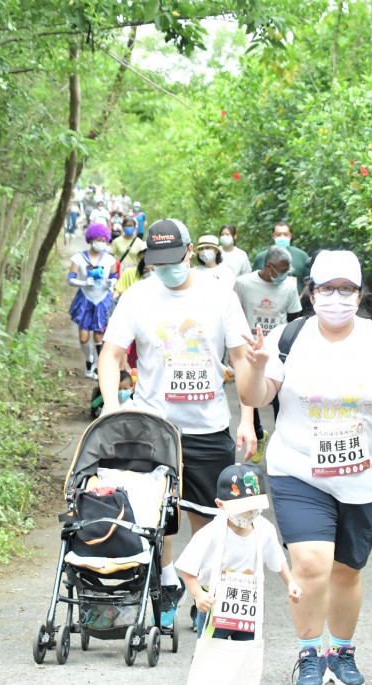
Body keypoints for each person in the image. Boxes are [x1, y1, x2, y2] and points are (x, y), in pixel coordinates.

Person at [237, 250, 372, 685]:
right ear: (312, 292)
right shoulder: (289, 337)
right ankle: (307, 654)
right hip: (298, 468)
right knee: (309, 562)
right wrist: (257, 365)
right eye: (326, 289)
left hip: (364, 470)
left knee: (345, 570)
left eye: (346, 290)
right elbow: (256, 395)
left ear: (359, 294)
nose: (336, 298)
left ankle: (341, 651)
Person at [97, 218, 261, 625]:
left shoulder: (219, 296)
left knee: (207, 516)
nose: (167, 269)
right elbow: (111, 353)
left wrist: (247, 418)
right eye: (158, 262)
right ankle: (167, 585)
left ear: (190, 252)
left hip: (208, 425)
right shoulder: (137, 297)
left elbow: (241, 358)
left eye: (174, 259)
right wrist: (109, 406)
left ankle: (203, 591)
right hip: (153, 425)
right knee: (157, 514)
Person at [177, 462, 302, 685]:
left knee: (245, 648)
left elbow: (277, 560)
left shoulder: (264, 530)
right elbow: (187, 568)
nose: (248, 513)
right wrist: (198, 594)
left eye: (253, 507)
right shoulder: (210, 533)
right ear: (221, 505)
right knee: (213, 642)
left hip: (250, 601)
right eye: (241, 507)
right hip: (215, 600)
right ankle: (204, 671)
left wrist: (290, 582)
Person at [234, 245, 303, 463]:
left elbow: (294, 319)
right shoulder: (243, 283)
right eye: (281, 270)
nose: (284, 274)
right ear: (268, 267)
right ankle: (256, 430)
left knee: (280, 398)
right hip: (250, 348)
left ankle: (284, 441)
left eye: (287, 270)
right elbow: (234, 315)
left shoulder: (290, 286)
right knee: (248, 395)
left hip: (279, 350)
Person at [68, 223, 118, 379]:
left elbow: (115, 277)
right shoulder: (78, 258)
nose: (101, 242)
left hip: (103, 298)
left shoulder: (110, 260)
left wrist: (111, 283)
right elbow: (71, 278)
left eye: (104, 240)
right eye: (98, 239)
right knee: (84, 336)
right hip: (85, 298)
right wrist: (83, 283)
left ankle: (98, 365)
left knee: (99, 335)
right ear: (91, 239)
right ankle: (89, 360)